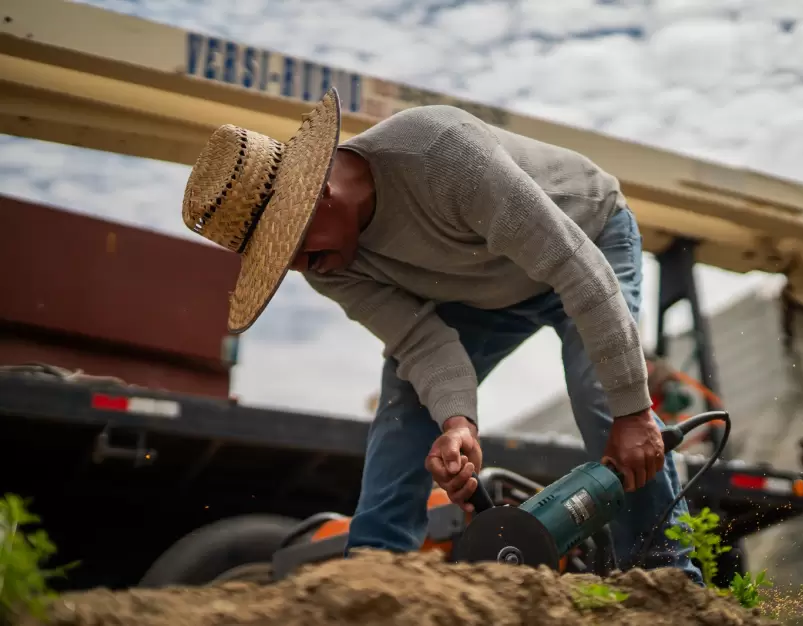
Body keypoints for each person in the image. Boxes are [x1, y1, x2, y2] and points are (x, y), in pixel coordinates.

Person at [181, 87, 703, 584]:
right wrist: (457, 424)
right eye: (279, 260)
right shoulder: (325, 263)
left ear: (320, 191)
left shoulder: (440, 153)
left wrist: (633, 413)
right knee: (407, 405)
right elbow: (419, 343)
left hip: (586, 239)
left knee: (604, 396)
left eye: (293, 244)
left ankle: (667, 580)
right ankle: (372, 584)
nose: (298, 267)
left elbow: (572, 266)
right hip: (480, 293)